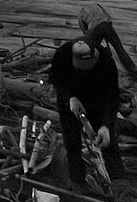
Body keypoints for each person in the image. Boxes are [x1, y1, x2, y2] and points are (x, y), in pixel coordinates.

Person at [49, 9, 132, 180]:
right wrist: (69, 98)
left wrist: (106, 125)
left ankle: (120, 184)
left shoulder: (106, 62)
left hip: (97, 100)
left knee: (108, 143)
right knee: (72, 143)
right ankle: (78, 182)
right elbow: (57, 81)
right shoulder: (63, 55)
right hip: (71, 100)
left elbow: (112, 96)